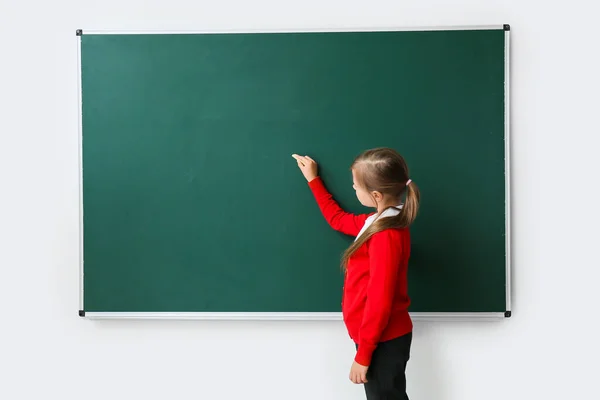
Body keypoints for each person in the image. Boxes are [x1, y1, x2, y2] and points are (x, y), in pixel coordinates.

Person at [292, 148, 420, 400]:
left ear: (375, 194)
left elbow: (380, 299)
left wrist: (363, 356)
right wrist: (313, 180)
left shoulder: (386, 235)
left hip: (381, 339)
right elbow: (338, 219)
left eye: (355, 186)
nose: (353, 189)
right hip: (376, 337)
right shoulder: (376, 222)